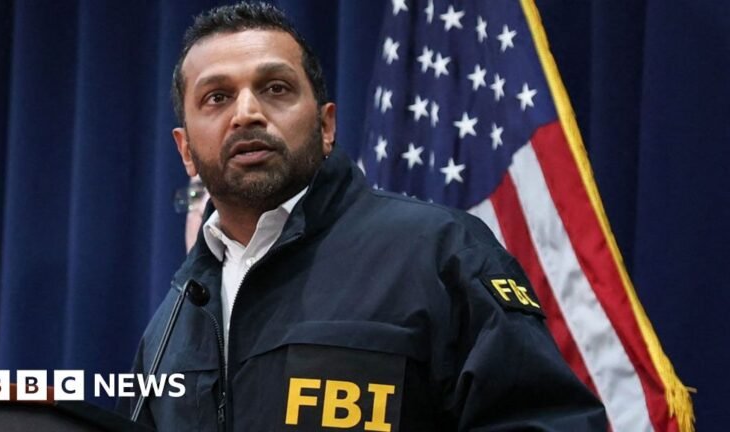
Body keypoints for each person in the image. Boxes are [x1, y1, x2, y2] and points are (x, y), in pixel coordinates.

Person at [122, 2, 607, 430]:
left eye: (275, 88)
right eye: (217, 97)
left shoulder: (442, 252)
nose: (247, 112)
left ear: (326, 126)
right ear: (186, 151)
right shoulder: (173, 323)